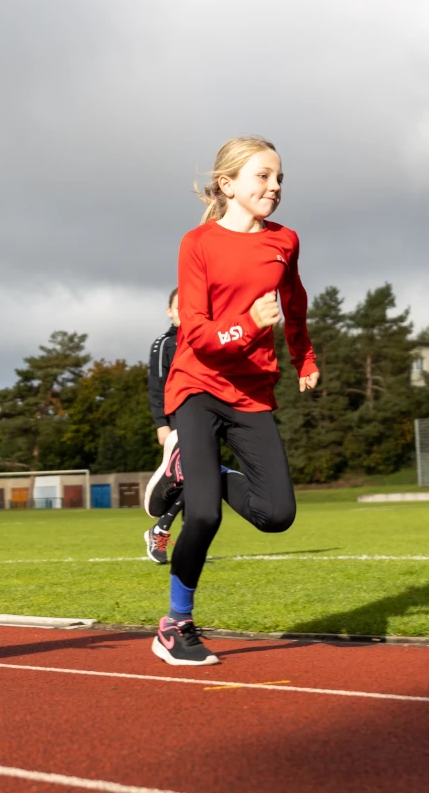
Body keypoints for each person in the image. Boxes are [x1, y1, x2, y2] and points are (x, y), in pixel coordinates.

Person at [144, 136, 318, 666]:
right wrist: (247, 325)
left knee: (276, 514)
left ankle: (200, 472)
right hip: (196, 385)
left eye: (280, 178)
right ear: (229, 185)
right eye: (263, 176)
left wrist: (304, 358)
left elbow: (294, 303)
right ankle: (176, 626)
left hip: (251, 391)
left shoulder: (284, 241)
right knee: (202, 516)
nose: (275, 187)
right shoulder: (197, 244)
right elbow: (194, 333)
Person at [143, 288, 181, 564]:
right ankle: (161, 528)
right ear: (169, 310)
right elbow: (157, 387)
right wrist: (161, 424)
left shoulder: (207, 339)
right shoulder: (164, 344)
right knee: (186, 478)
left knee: (202, 482)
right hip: (176, 421)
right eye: (180, 306)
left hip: (206, 419)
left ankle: (168, 531)